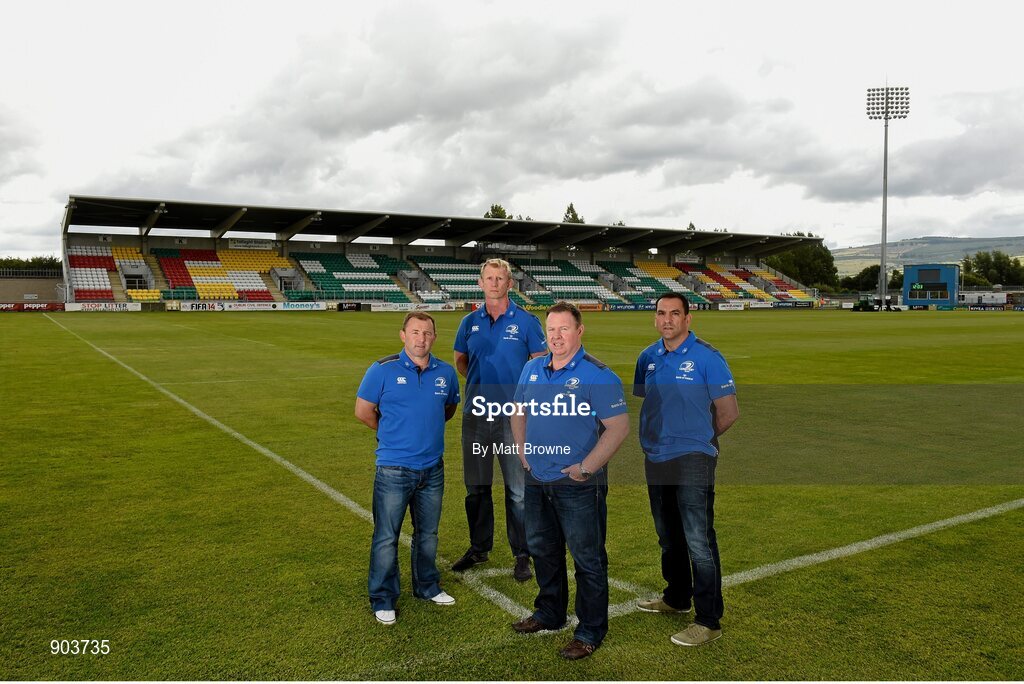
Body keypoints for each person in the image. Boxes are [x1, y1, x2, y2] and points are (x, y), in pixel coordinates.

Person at [509, 302, 629, 660]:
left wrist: (587, 468)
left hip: (578, 485)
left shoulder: (599, 375)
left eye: (564, 329)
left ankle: (590, 630)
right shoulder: (532, 368)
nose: (556, 336)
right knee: (544, 551)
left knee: (587, 559)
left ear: (579, 331)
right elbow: (518, 410)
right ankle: (550, 612)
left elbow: (618, 428)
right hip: (537, 479)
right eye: (551, 329)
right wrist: (522, 452)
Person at [633, 292, 739, 646]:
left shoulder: (708, 357)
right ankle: (676, 598)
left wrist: (697, 438)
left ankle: (709, 620)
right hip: (656, 457)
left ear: (687, 319)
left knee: (698, 538)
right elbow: (648, 404)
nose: (667, 320)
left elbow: (728, 412)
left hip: (694, 457)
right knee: (668, 535)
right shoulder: (647, 357)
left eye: (675, 313)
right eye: (661, 313)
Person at [355, 312, 461, 626]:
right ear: (403, 335)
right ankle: (383, 597)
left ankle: (427, 586)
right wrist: (389, 433)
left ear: (434, 337)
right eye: (415, 332)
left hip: (433, 469)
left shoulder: (445, 372)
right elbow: (363, 411)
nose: (421, 339)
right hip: (393, 469)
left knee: (427, 535)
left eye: (427, 333)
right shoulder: (382, 369)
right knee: (387, 537)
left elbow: (448, 409)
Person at [452, 258, 547, 580]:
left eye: (500, 278)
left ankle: (523, 554)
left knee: (518, 491)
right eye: (489, 278)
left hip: (513, 421)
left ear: (510, 284)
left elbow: (540, 367)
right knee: (476, 488)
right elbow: (461, 362)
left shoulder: (527, 322)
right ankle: (479, 548)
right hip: (476, 417)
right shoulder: (468, 322)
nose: (494, 283)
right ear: (480, 283)